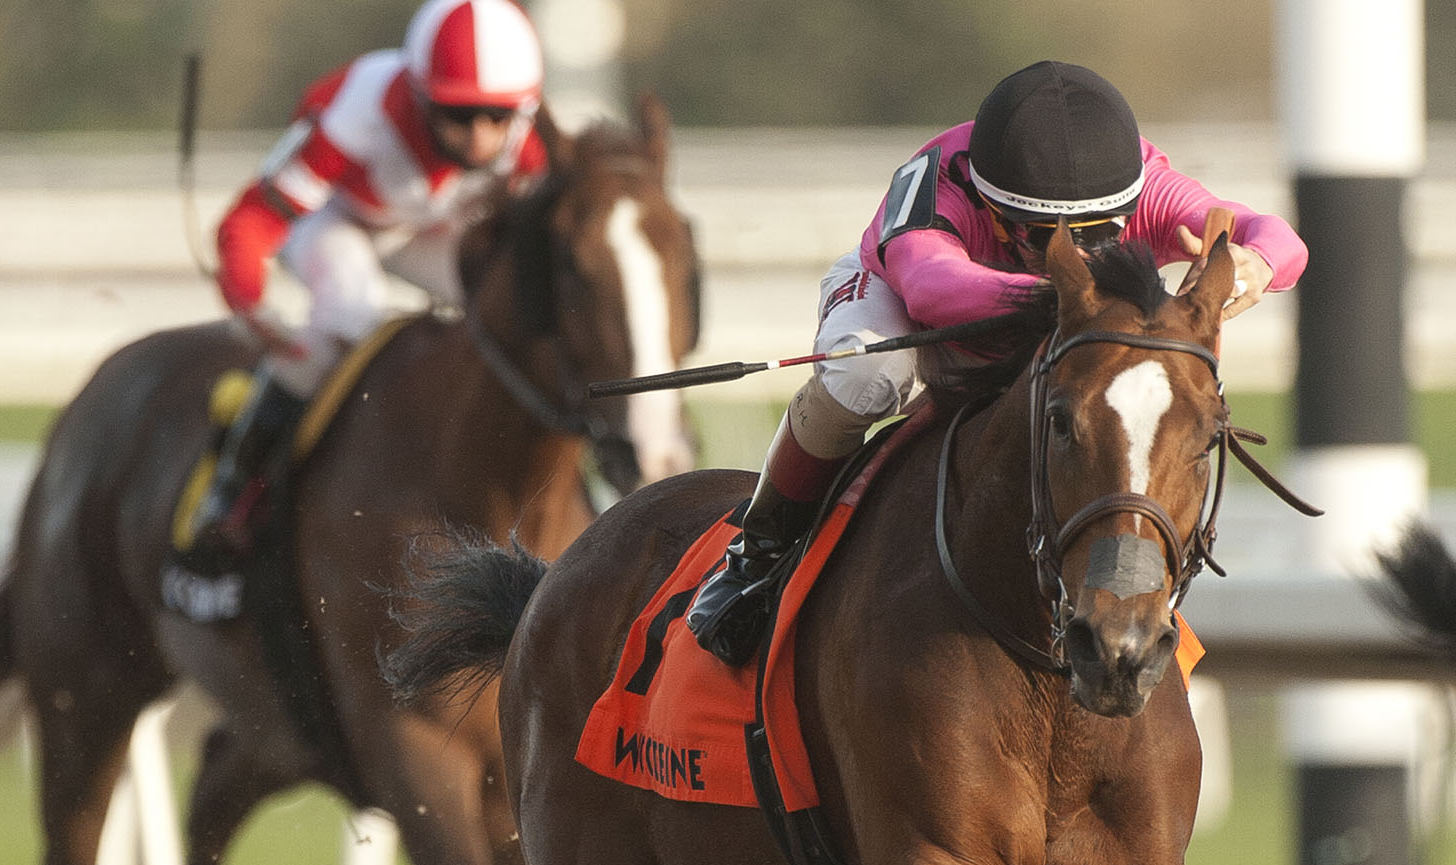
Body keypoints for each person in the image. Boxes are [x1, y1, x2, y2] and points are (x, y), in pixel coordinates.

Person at [687, 60, 1310, 666]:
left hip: (1055, 324)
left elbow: (1273, 233)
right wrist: (1067, 296)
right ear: (991, 209)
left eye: (1104, 232)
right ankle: (759, 551)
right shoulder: (941, 185)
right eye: (1041, 236)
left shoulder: (1147, 180)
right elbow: (932, 286)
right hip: (907, 303)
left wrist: (1257, 263)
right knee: (864, 377)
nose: (1081, 249)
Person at [192, 0, 547, 551]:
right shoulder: (355, 115)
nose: (479, 139)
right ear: (419, 94)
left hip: (423, 227)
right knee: (350, 308)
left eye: (495, 117)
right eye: (458, 116)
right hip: (333, 219)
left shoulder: (526, 141)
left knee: (506, 307)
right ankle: (235, 481)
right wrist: (249, 298)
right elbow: (254, 219)